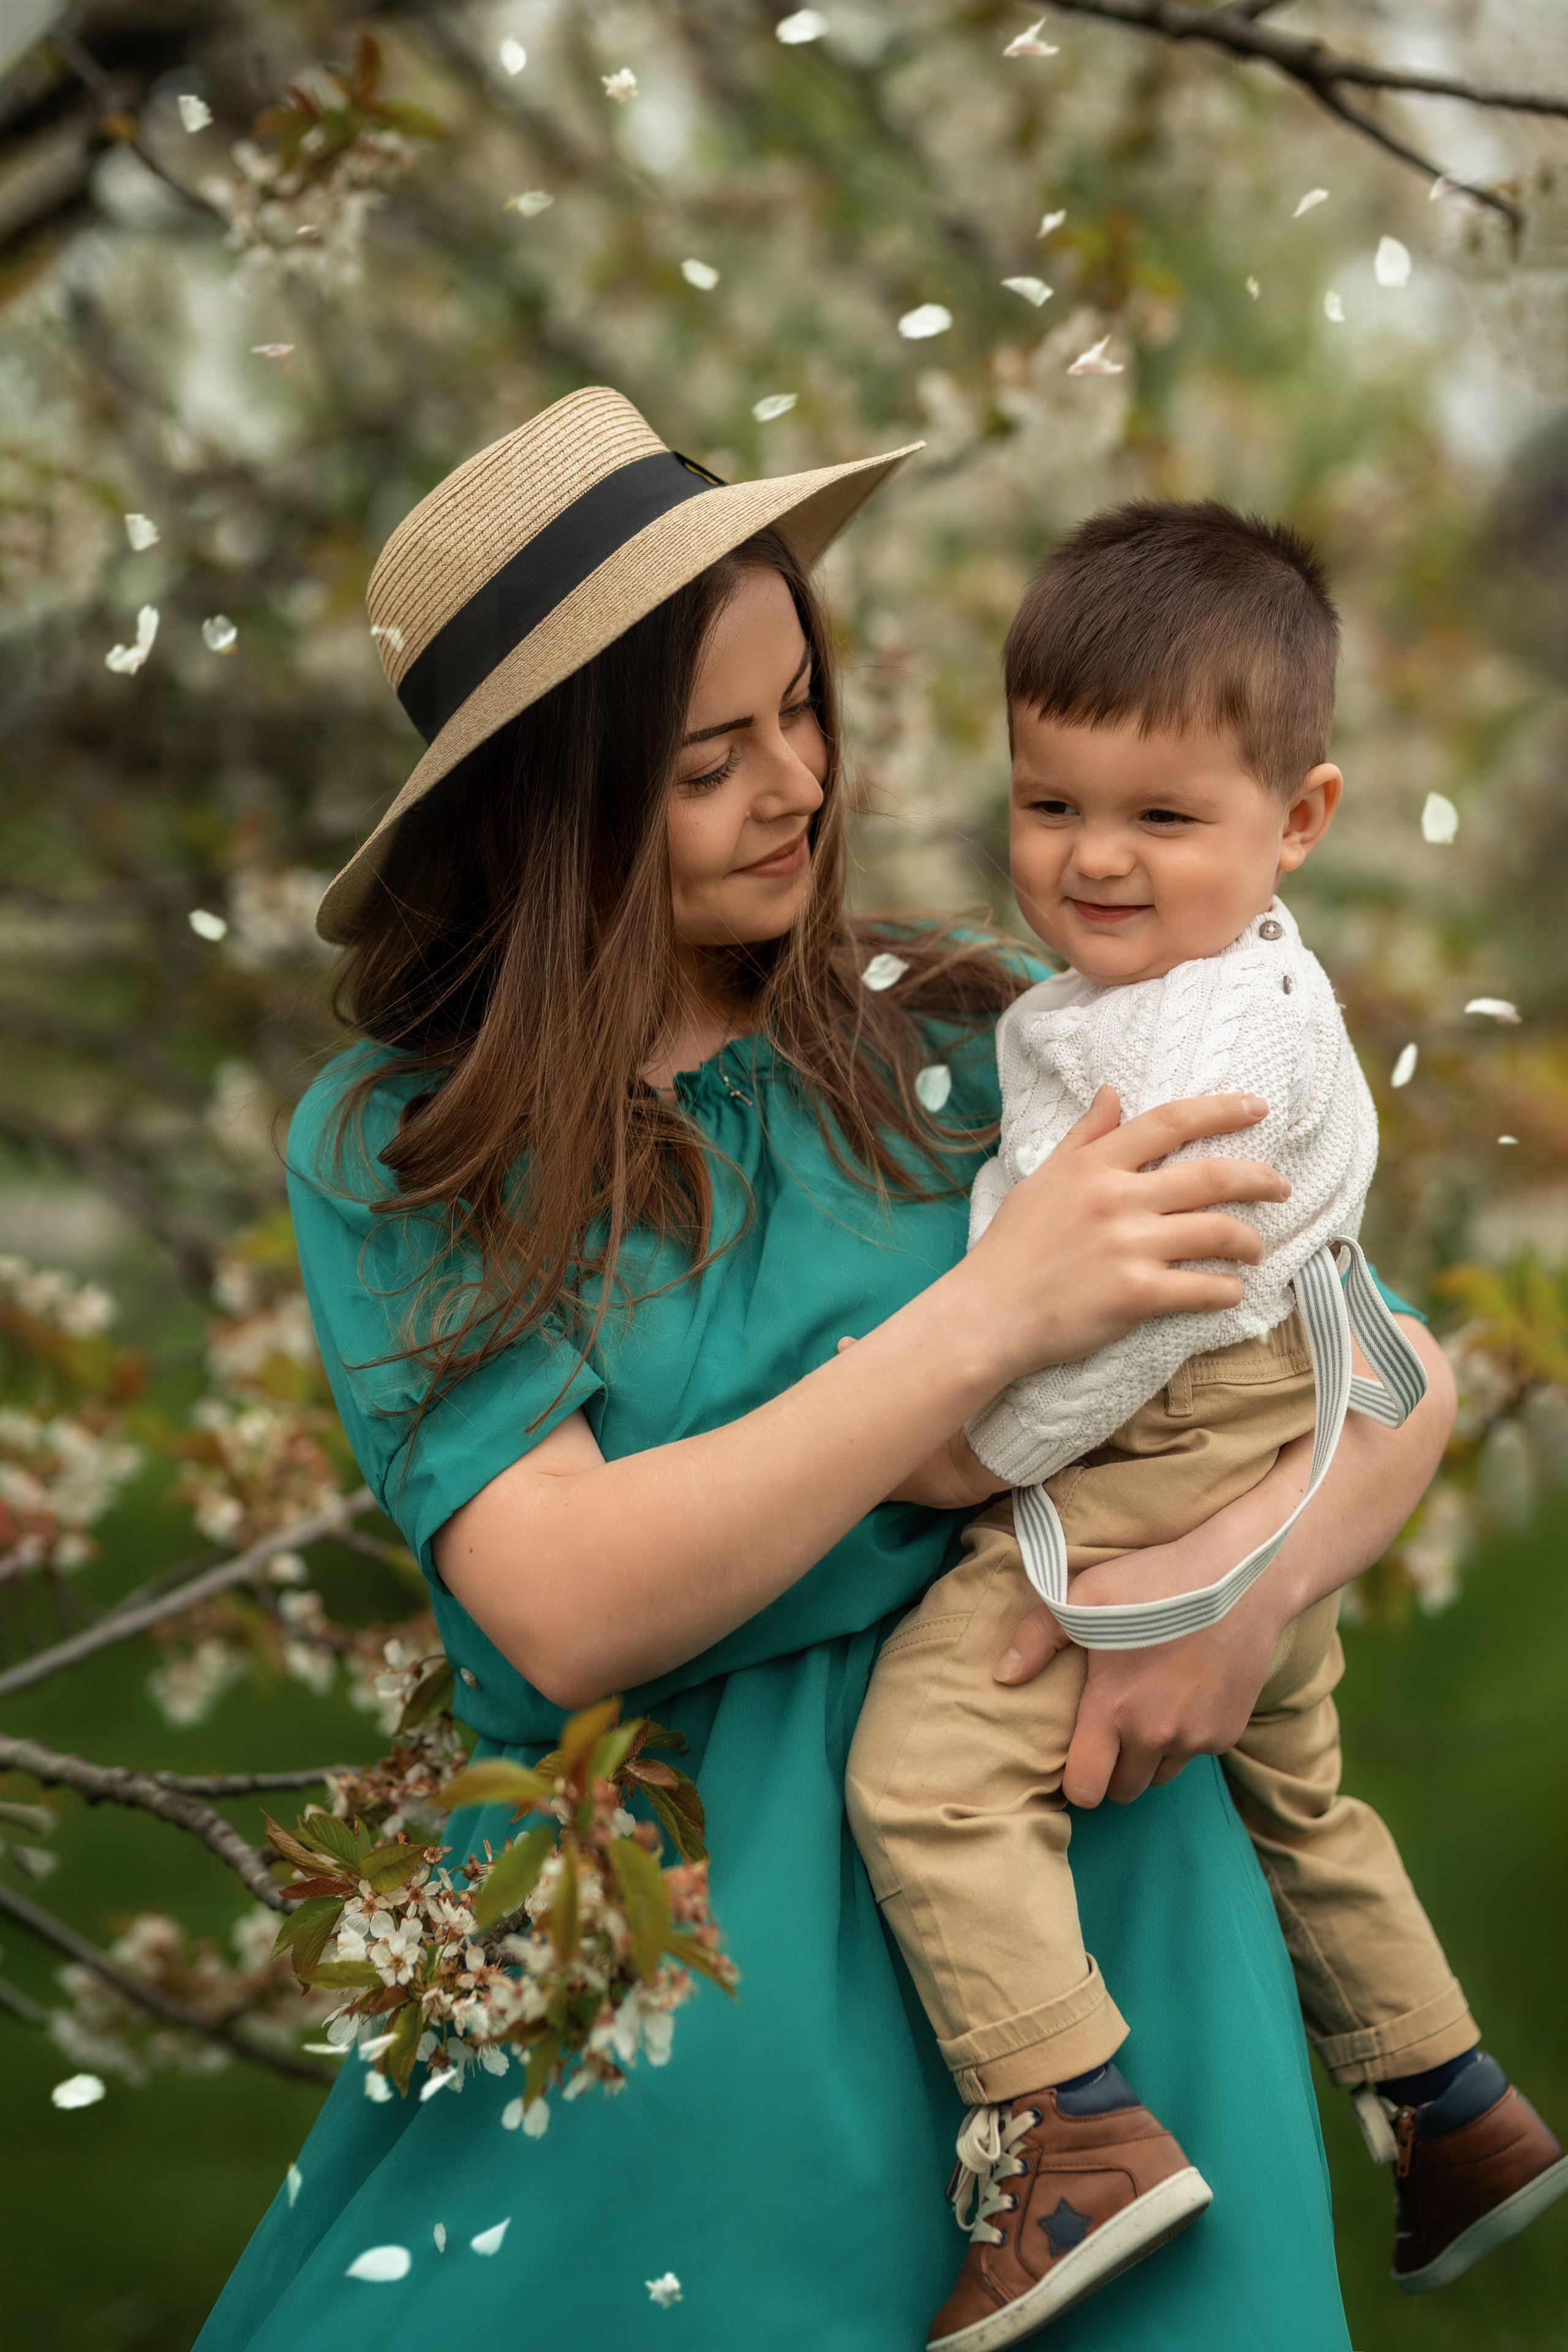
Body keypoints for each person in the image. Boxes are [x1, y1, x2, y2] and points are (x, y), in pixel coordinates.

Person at [197, 390, 1455, 2352]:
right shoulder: (411, 1145)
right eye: (712, 757)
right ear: (548, 802)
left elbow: (1387, 1370)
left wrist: (1244, 1603)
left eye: (806, 708)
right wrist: (987, 1320)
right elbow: (569, 1598)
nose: (795, 783)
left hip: (1090, 1920)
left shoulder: (974, 1025)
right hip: (692, 1970)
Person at [846, 502, 1568, 2351]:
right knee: (1296, 1792)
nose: (1093, 860)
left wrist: (965, 1459)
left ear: (1297, 822)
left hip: (1166, 1420)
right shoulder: (1206, 984)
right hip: (1278, 1399)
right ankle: (1451, 2102)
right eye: (1051, 802)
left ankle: (1067, 2128)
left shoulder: (1183, 1055)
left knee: (927, 1770)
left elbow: (1098, 1337)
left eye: (1160, 819)